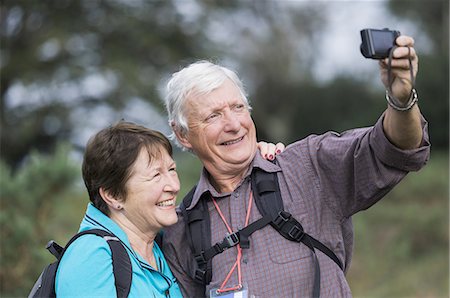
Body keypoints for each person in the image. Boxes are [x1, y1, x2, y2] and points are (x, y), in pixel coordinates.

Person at [161, 34, 430, 297]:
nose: (233, 125)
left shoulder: (308, 166)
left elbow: (392, 148)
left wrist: (402, 101)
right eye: (213, 116)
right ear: (183, 135)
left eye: (238, 107)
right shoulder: (180, 229)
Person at [54, 121, 282, 296]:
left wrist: (252, 160)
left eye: (171, 170)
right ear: (113, 195)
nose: (174, 186)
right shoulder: (92, 257)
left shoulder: (162, 246)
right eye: (155, 175)